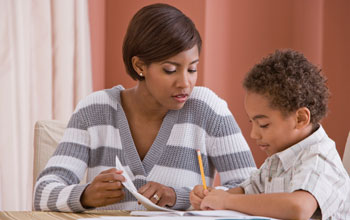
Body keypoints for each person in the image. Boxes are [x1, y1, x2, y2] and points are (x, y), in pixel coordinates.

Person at [33, 3, 256, 212]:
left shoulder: (207, 109)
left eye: (192, 69)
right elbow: (42, 193)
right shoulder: (95, 110)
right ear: (140, 66)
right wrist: (85, 195)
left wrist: (178, 197)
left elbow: (252, 190)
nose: (185, 83)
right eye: (170, 70)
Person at [190, 49, 350, 219]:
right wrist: (211, 198)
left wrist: (226, 201)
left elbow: (298, 208)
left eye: (263, 125)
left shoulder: (320, 160)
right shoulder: (277, 160)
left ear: (300, 118)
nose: (253, 134)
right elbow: (245, 192)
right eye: (252, 123)